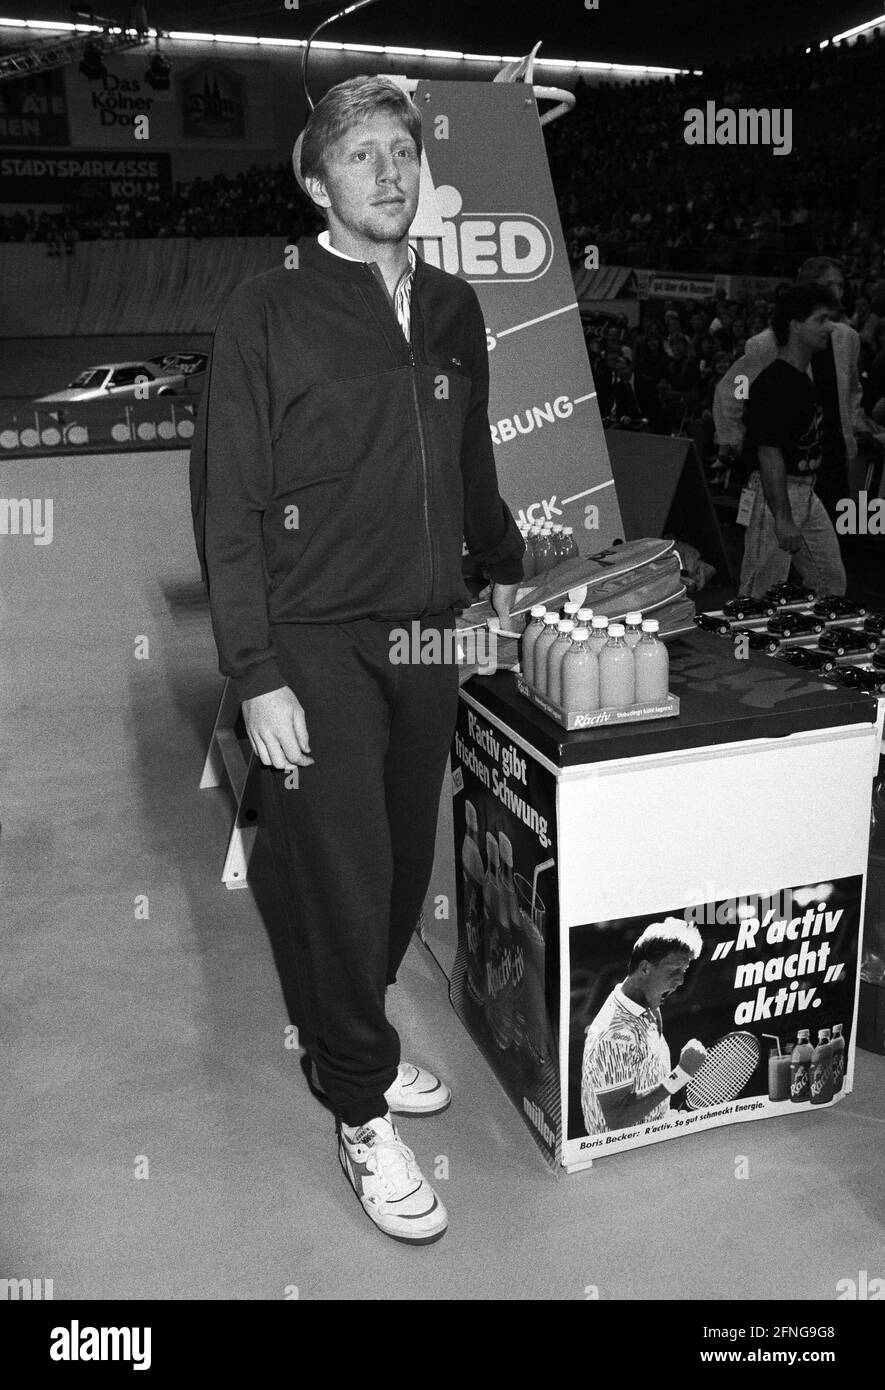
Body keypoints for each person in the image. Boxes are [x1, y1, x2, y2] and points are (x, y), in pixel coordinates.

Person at [189, 76, 524, 1245]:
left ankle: (361, 1038)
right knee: (338, 875)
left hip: (428, 632)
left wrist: (505, 567)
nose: (390, 171)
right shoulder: (264, 314)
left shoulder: (452, 306)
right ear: (315, 177)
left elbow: (468, 458)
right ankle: (355, 1101)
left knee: (396, 870)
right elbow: (229, 503)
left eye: (403, 150)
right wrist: (256, 668)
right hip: (317, 640)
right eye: (362, 154)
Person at [715, 258, 867, 522]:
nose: (836, 292)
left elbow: (852, 389)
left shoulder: (847, 338)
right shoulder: (768, 342)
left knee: (832, 539)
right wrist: (734, 434)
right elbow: (737, 388)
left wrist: (855, 422)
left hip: (832, 453)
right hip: (783, 459)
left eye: (840, 286)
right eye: (828, 284)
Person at [738, 283, 847, 599]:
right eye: (821, 319)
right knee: (759, 591)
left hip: (805, 491)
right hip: (776, 494)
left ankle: (817, 642)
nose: (829, 327)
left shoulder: (803, 379)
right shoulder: (774, 384)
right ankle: (744, 646)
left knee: (830, 581)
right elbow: (768, 453)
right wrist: (783, 518)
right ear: (796, 325)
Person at [580, 919, 706, 1136]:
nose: (681, 980)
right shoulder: (615, 1034)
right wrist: (681, 1074)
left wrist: (662, 1117)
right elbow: (617, 1120)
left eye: (684, 970)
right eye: (674, 970)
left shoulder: (649, 1005)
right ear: (645, 968)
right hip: (619, 1154)